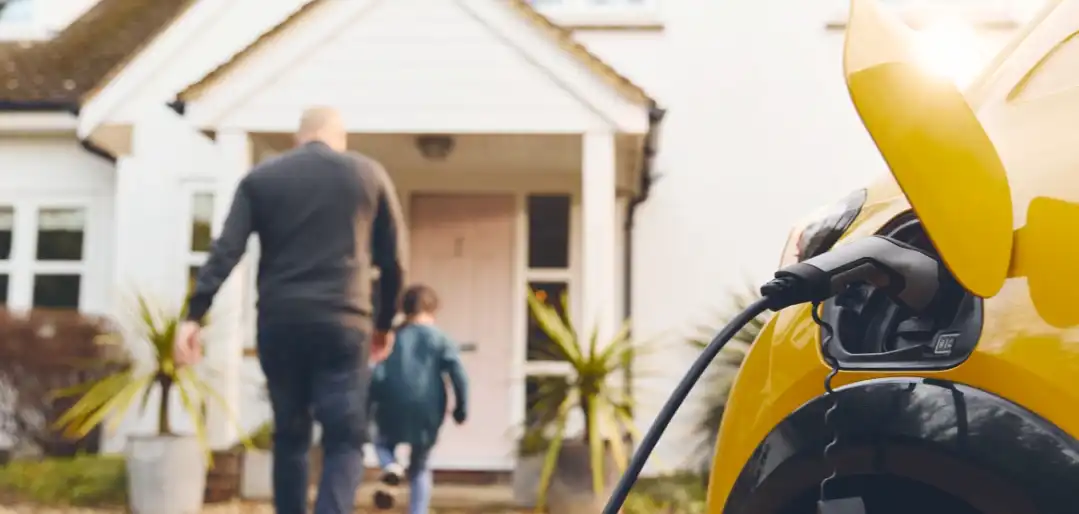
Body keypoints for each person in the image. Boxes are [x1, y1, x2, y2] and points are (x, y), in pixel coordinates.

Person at [173, 106, 407, 514]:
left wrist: (194, 314)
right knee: (344, 439)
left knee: (291, 435)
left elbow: (226, 250)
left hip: (281, 323)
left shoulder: (262, 179)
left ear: (298, 137)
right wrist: (384, 324)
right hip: (344, 322)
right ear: (340, 139)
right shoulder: (368, 175)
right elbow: (395, 262)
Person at [367, 284, 469, 514]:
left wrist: (368, 404)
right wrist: (461, 408)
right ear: (433, 309)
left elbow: (376, 371)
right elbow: (458, 374)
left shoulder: (393, 337)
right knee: (420, 464)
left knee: (382, 443)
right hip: (429, 408)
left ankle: (390, 465)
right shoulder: (440, 339)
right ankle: (418, 511)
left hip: (391, 403)